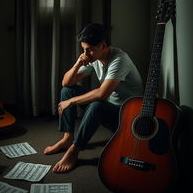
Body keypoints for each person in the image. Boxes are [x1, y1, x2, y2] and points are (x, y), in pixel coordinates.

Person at [43, 23, 143, 173]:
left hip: (127, 117)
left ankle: (73, 151)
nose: (86, 53)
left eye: (90, 49)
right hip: (109, 107)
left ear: (103, 46)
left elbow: (102, 94)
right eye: (84, 49)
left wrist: (71, 102)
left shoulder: (119, 60)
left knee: (96, 105)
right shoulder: (94, 58)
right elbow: (66, 82)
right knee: (67, 90)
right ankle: (67, 138)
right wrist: (77, 63)